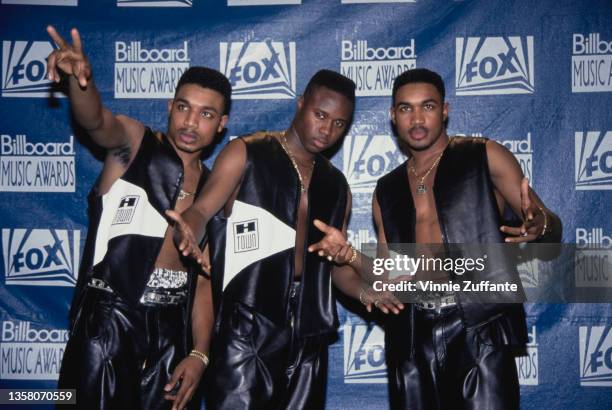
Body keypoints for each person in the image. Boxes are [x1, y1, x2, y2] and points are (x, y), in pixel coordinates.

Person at [308, 68, 561, 409]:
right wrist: (349, 255)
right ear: (392, 116)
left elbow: (548, 223)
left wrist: (540, 225)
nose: (416, 118)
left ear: (444, 110)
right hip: (413, 335)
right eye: (404, 108)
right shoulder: (387, 188)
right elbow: (390, 275)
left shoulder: (485, 155)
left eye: (427, 106)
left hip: (477, 326)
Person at [46, 26, 230, 410]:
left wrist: (199, 354)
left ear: (221, 124)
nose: (191, 122)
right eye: (183, 107)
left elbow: (201, 285)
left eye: (206, 114)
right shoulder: (133, 144)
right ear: (169, 106)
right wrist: (81, 83)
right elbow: (96, 121)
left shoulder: (216, 190)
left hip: (171, 332)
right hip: (109, 322)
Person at [168, 70, 372, 409]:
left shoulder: (337, 186)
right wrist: (187, 228)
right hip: (245, 330)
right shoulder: (246, 152)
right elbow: (202, 211)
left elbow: (334, 271)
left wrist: (368, 291)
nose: (326, 129)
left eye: (339, 123)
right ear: (301, 104)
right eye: (320, 115)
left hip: (309, 334)